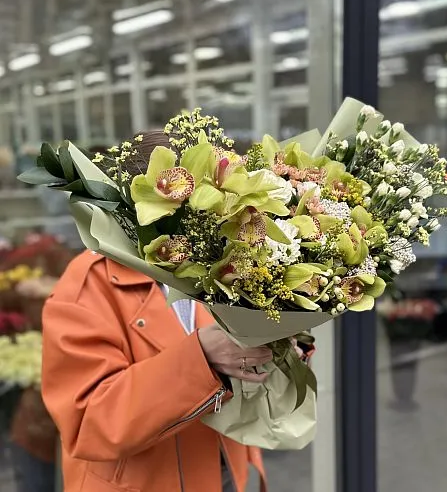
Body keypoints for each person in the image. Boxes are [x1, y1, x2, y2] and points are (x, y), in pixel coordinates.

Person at [41, 133, 296, 492]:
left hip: (221, 471)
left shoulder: (215, 262)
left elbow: (236, 361)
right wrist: (201, 357)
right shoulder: (86, 287)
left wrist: (280, 350)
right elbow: (88, 422)